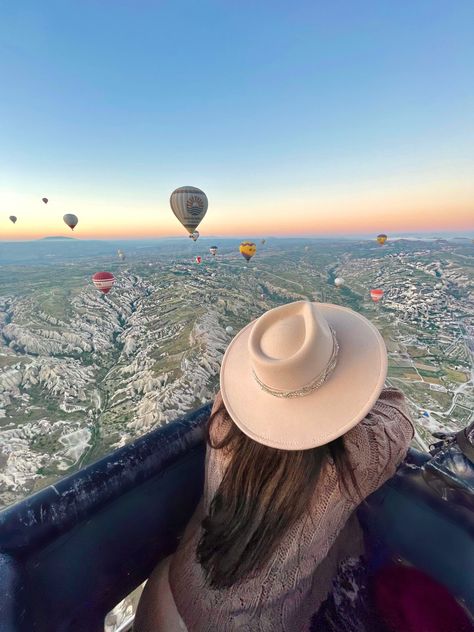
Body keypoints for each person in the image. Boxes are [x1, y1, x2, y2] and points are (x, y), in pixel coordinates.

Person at [135, 300, 414, 631]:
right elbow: (398, 412)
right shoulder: (355, 457)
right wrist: (351, 381)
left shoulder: (225, 420)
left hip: (175, 588)